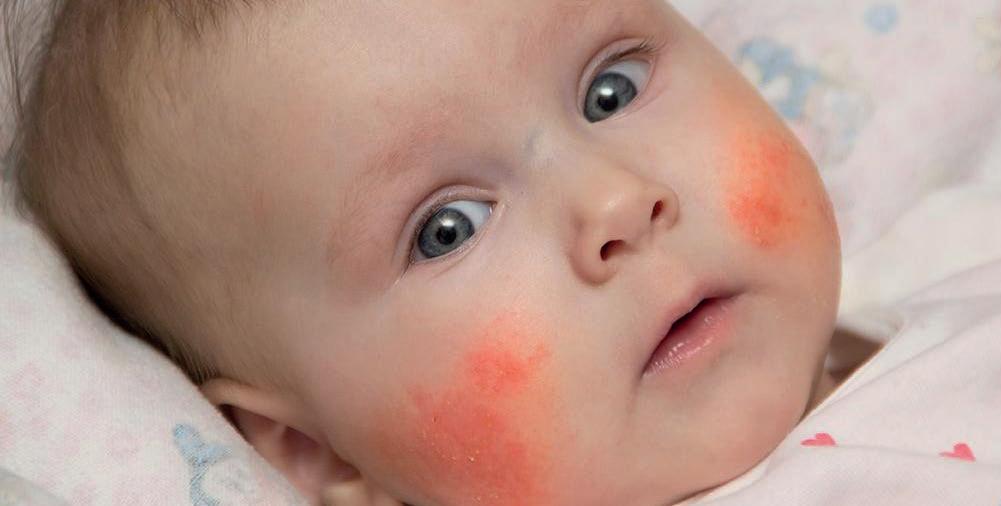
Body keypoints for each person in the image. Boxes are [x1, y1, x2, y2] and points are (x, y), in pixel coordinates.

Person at [9, 1, 850, 504]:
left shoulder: (933, 278)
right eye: (449, 228)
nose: (617, 203)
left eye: (611, 89)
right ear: (313, 450)